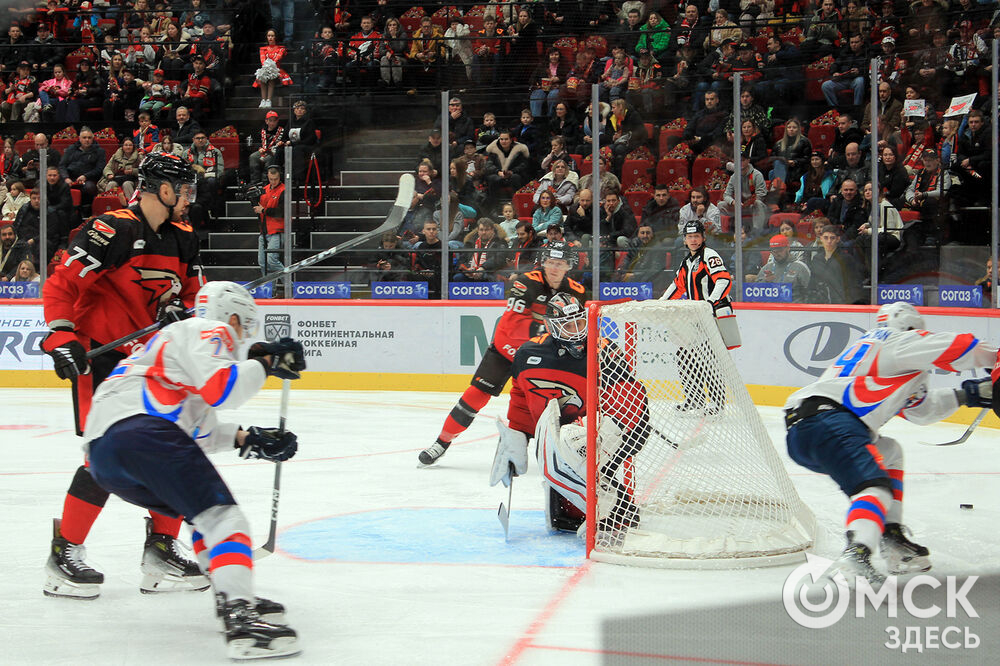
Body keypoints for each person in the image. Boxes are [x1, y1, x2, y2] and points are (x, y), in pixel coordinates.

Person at [85, 280, 304, 658]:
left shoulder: (171, 349)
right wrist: (266, 363)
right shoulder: (207, 329)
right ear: (232, 317)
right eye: (245, 327)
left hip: (103, 453)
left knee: (201, 515)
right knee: (224, 519)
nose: (244, 337)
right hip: (142, 432)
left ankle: (231, 595)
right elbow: (224, 389)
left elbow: (194, 432)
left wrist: (247, 439)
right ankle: (240, 616)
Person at [40, 153, 207, 600]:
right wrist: (61, 336)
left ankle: (160, 549)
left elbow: (192, 297)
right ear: (163, 190)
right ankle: (64, 553)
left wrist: (182, 313)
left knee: (172, 451)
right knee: (105, 455)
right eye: (184, 189)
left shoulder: (184, 238)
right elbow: (61, 285)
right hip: (105, 360)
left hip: (152, 364)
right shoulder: (112, 229)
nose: (189, 197)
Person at [784, 302, 996, 586]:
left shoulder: (876, 354)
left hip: (805, 431)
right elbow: (962, 347)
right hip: (830, 422)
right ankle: (858, 552)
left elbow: (919, 410)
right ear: (910, 327)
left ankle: (891, 537)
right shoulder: (897, 341)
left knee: (891, 452)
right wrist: (995, 357)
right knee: (874, 487)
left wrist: (967, 395)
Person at [489, 292, 649, 534]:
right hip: (567, 434)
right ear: (552, 327)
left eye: (580, 323)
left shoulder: (604, 351)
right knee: (561, 513)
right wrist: (516, 435)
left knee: (580, 454)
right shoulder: (529, 354)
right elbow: (522, 398)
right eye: (567, 326)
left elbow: (630, 398)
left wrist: (605, 438)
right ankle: (586, 509)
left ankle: (613, 510)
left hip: (620, 428)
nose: (576, 331)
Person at [419, 242, 587, 465]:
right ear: (543, 262)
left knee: (557, 404)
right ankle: (441, 442)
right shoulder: (526, 282)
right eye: (550, 262)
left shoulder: (577, 291)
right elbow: (513, 326)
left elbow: (580, 327)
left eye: (560, 263)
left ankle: (563, 454)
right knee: (475, 396)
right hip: (508, 348)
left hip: (541, 356)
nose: (554, 268)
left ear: (569, 266)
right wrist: (553, 331)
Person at [659, 220, 740, 413]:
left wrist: (709, 303)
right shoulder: (687, 262)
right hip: (696, 316)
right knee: (685, 356)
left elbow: (723, 281)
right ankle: (694, 399)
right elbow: (677, 286)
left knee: (709, 359)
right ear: (685, 240)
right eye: (689, 237)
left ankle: (717, 403)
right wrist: (661, 303)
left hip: (713, 315)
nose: (693, 240)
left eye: (696, 236)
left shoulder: (710, 256)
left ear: (703, 237)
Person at [253, 166, 286, 292]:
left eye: (276, 179)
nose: (273, 182)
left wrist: (263, 210)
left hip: (277, 230)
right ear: (268, 177)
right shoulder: (264, 190)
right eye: (271, 179)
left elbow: (281, 212)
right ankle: (269, 290)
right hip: (264, 230)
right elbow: (260, 208)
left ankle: (290, 285)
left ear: (280, 177)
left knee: (272, 261)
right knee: (262, 262)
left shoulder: (284, 190)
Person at [753, 234, 811, 303]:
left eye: (780, 250)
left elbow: (811, 293)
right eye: (774, 251)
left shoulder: (800, 268)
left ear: (788, 248)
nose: (777, 254)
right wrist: (766, 282)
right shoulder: (766, 268)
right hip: (771, 309)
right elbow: (755, 294)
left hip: (794, 310)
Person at [249, 110, 286, 185]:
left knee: (269, 159)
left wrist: (282, 143)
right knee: (253, 157)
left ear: (277, 121)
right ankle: (254, 182)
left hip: (273, 152)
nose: (272, 123)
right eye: (270, 120)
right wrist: (259, 148)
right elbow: (255, 142)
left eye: (274, 121)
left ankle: (266, 183)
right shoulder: (261, 130)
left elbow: (285, 140)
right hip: (263, 151)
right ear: (266, 121)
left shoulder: (282, 131)